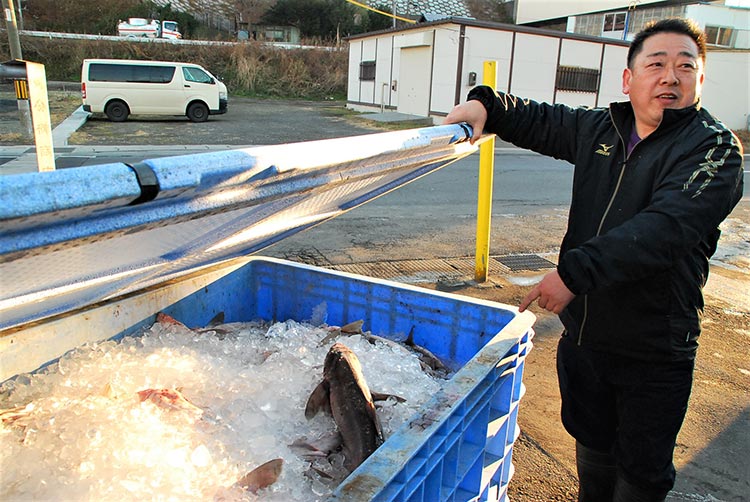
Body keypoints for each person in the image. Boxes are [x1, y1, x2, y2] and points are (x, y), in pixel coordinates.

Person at [445, 18, 744, 502]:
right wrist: (486, 104)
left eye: (685, 67)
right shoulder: (601, 129)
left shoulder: (712, 150)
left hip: (654, 347)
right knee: (592, 446)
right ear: (629, 79)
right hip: (586, 336)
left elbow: (665, 230)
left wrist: (573, 274)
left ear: (700, 81)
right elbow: (539, 119)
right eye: (657, 64)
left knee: (642, 471)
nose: (670, 76)